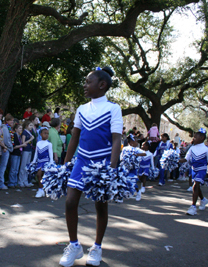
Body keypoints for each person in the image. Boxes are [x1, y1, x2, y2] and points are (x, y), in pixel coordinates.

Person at [60, 66, 122, 267]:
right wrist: (66, 164)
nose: (85, 85)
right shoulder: (82, 109)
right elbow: (74, 138)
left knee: (100, 206)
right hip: (82, 161)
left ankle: (96, 246)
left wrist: (112, 168)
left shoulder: (113, 109)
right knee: (70, 202)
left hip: (102, 163)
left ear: (102, 85)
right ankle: (74, 245)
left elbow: (116, 140)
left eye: (88, 82)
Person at [180, 129, 208, 216]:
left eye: (195, 137)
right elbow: (186, 159)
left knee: (195, 186)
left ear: (201, 138)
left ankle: (193, 207)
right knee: (196, 186)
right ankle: (203, 199)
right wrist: (177, 160)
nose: (193, 139)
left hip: (202, 169)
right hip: (194, 169)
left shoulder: (206, 149)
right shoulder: (192, 148)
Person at [120, 134, 146, 202]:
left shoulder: (137, 149)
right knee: (123, 180)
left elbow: (144, 153)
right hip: (125, 168)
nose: (137, 143)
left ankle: (138, 192)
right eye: (136, 142)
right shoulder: (125, 148)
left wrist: (136, 154)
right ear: (131, 142)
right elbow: (121, 157)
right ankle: (121, 196)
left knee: (133, 181)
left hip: (133, 168)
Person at [31, 127, 53, 198]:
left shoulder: (49, 144)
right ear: (41, 134)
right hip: (39, 162)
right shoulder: (38, 143)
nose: (46, 135)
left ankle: (42, 189)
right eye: (45, 133)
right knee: (39, 175)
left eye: (47, 134)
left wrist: (51, 163)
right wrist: (33, 161)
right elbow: (36, 154)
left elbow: (51, 154)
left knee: (43, 176)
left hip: (46, 162)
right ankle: (41, 190)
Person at [0, 114, 14, 190]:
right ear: (6, 121)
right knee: (3, 166)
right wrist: (10, 147)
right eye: (10, 120)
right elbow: (6, 139)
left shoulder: (8, 128)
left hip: (7, 148)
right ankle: (0, 183)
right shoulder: (5, 128)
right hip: (5, 149)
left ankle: (1, 182)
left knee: (4, 166)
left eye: (12, 120)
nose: (12, 122)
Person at [8, 123, 26, 188]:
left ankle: (15, 182)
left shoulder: (19, 136)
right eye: (20, 128)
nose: (21, 129)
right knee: (13, 168)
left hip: (18, 153)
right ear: (16, 129)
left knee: (16, 169)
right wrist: (22, 145)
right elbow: (14, 146)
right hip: (15, 153)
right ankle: (11, 182)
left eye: (21, 128)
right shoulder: (14, 136)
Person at [18, 120, 35, 187]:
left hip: (29, 150)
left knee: (27, 166)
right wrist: (31, 139)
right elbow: (23, 142)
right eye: (30, 125)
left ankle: (25, 180)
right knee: (23, 166)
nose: (31, 127)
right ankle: (20, 181)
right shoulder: (24, 132)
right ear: (26, 125)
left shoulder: (29, 132)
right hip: (25, 150)